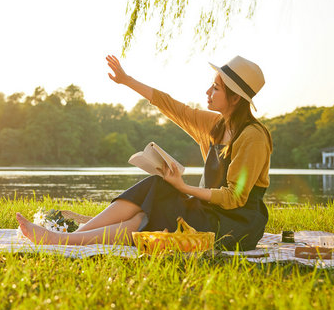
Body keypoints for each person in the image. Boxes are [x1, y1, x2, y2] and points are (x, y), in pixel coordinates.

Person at [16, 54, 273, 251]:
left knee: (148, 215)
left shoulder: (253, 137)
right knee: (154, 188)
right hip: (207, 211)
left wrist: (183, 188)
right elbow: (172, 106)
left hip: (235, 224)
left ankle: (62, 240)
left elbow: (234, 198)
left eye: (216, 88)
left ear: (236, 98)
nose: (208, 92)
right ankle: (67, 238)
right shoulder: (216, 125)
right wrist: (127, 80)